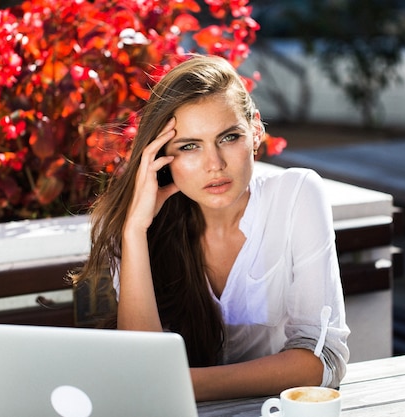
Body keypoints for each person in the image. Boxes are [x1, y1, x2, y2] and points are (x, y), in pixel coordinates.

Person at [73, 54, 350, 402]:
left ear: (255, 132)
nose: (214, 164)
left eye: (228, 137)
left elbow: (323, 361)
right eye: (189, 146)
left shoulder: (296, 196)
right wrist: (135, 232)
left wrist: (184, 384)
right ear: (160, 158)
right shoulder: (137, 228)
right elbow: (143, 362)